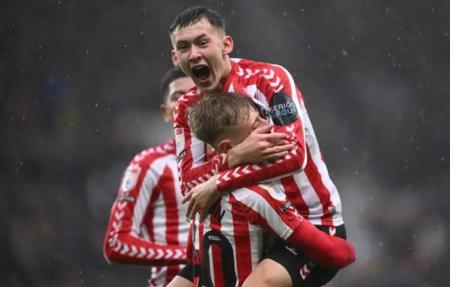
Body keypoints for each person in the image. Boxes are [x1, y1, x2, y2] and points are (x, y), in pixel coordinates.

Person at [170, 6, 349, 287]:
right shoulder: (186, 107)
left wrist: (218, 181)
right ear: (175, 57)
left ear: (226, 44)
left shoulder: (269, 79)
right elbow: (190, 186)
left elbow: (293, 155)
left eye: (203, 42)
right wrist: (235, 156)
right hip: (239, 230)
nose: (194, 54)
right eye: (184, 47)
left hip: (307, 224)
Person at [167, 92, 354, 287]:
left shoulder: (198, 194)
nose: (269, 126)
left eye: (262, 116)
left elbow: (195, 260)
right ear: (226, 147)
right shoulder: (257, 196)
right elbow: (337, 254)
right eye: (256, 125)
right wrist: (348, 251)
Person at [103, 66, 194, 287]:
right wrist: (189, 254)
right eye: (178, 97)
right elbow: (115, 243)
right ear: (166, 112)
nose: (187, 103)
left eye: (196, 94)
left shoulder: (234, 159)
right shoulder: (148, 165)